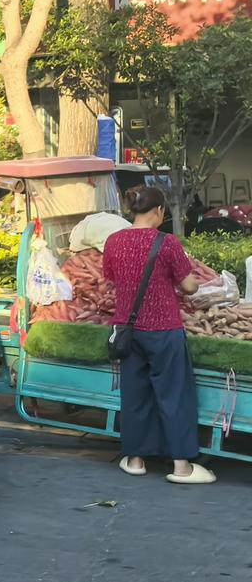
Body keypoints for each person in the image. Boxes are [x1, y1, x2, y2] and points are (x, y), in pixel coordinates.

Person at [103, 186, 214, 484]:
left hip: (127, 330)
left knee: (135, 394)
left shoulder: (113, 242)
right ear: (158, 211)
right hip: (164, 330)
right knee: (174, 395)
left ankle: (136, 459)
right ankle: (181, 467)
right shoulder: (167, 243)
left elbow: (112, 278)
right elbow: (189, 286)